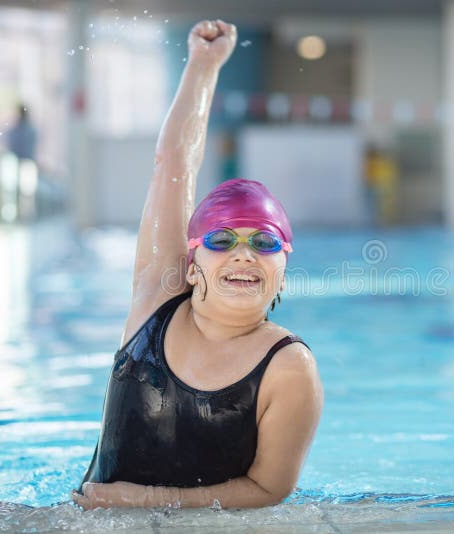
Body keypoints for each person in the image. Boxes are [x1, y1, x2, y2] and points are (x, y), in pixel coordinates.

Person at [71, 19, 323, 510]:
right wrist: (204, 65)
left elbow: (268, 489)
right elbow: (173, 163)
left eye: (265, 243)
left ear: (283, 269)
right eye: (223, 239)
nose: (244, 253)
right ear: (190, 265)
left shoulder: (289, 368)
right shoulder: (156, 300)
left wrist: (144, 501)